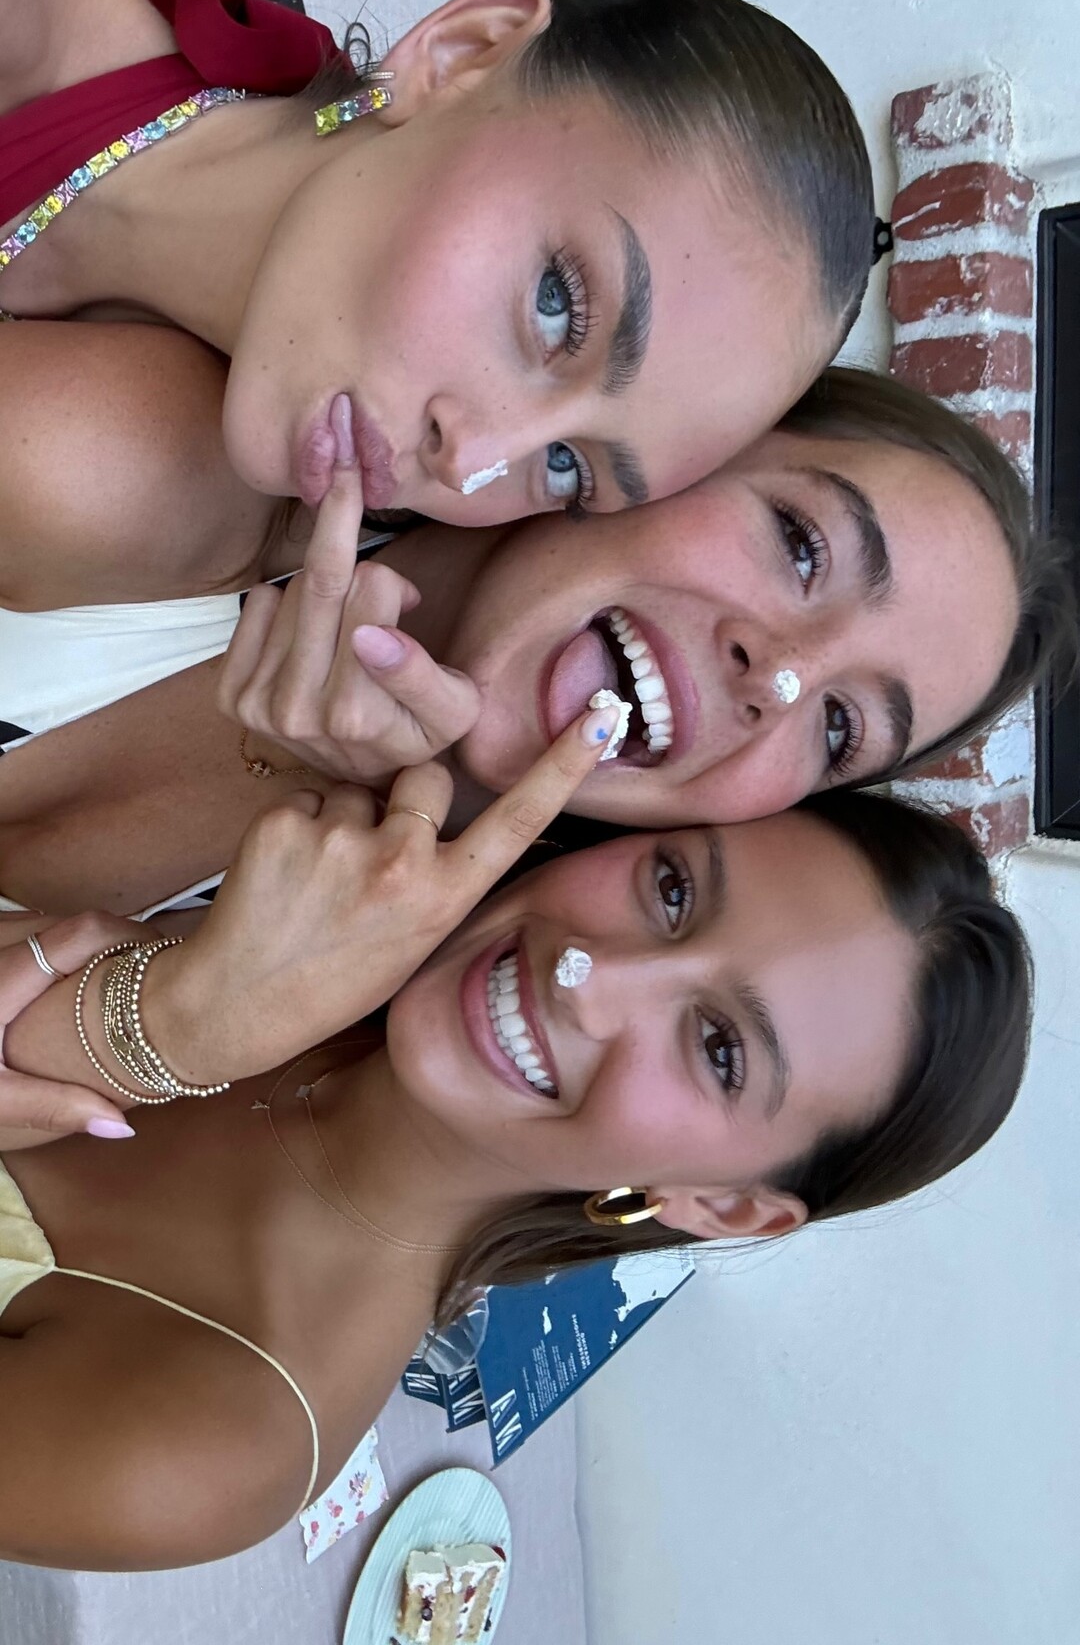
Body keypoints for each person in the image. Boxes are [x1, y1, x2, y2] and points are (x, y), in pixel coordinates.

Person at [0, 738, 1032, 1567]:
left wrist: (146, 1032)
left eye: (719, 1050)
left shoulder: (214, 1444)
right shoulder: (320, 873)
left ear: (721, 1204)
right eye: (673, 890)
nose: (588, 975)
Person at [0, 365, 1070, 919]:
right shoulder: (170, 460)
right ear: (683, 447)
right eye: (802, 545)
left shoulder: (420, 1014)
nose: (782, 676)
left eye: (839, 728)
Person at [0, 0, 874, 524]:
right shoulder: (21, 2)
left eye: (567, 467)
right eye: (557, 305)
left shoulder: (131, 462)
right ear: (464, 54)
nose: (472, 461)